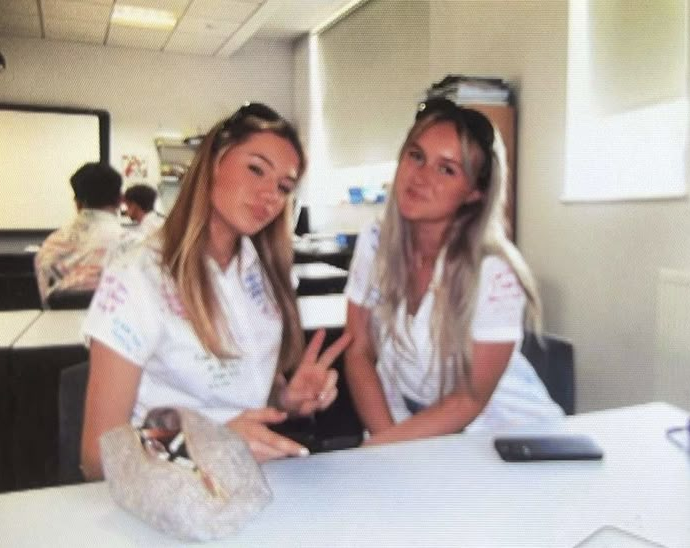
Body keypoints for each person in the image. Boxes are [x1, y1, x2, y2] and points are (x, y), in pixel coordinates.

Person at [80, 103, 350, 480]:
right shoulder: (137, 275)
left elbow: (244, 395)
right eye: (256, 169)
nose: (269, 194)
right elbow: (97, 457)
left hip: (252, 483)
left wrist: (286, 401)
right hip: (168, 492)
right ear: (215, 162)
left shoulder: (265, 274)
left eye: (283, 187)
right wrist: (214, 443)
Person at [343, 98, 563, 446]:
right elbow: (358, 351)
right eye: (416, 156)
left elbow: (470, 398)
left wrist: (387, 447)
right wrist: (386, 442)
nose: (420, 177)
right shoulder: (375, 242)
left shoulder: (495, 271)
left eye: (446, 169)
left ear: (474, 192)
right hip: (405, 421)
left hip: (500, 431)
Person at [34, 162, 132, 305]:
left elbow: (45, 301)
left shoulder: (50, 246)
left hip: (58, 326)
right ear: (120, 200)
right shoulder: (133, 245)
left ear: (77, 203)